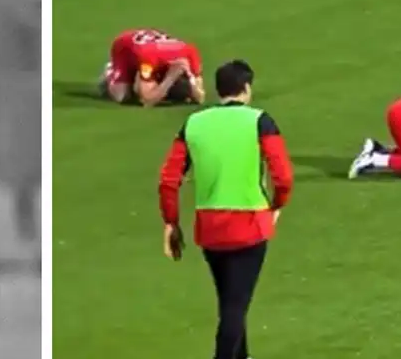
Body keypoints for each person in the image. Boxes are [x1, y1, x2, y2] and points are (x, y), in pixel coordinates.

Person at [157, 59, 294, 359]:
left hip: (210, 229)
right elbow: (283, 176)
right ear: (246, 88)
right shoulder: (260, 121)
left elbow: (168, 180)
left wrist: (171, 222)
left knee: (231, 302)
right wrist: (277, 205)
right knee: (234, 307)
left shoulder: (193, 124)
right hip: (250, 225)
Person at [97, 28, 205, 106]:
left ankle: (142, 76)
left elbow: (200, 98)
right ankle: (110, 71)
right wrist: (170, 78)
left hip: (150, 50)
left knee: (155, 88)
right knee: (121, 96)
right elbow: (146, 100)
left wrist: (191, 78)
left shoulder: (191, 53)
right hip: (125, 47)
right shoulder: (149, 57)